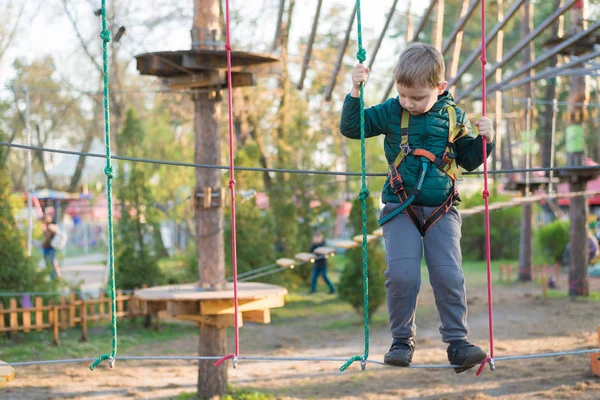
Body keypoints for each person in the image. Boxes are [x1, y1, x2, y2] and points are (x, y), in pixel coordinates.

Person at [340, 43, 495, 373]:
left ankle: (457, 344)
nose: (409, 102)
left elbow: (468, 161)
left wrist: (486, 140)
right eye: (404, 94)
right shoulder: (391, 111)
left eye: (418, 98)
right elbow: (353, 128)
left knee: (448, 275)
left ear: (440, 88)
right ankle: (401, 342)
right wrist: (355, 91)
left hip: (441, 208)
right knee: (402, 275)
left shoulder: (454, 116)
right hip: (400, 207)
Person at [42, 214, 61, 280]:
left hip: (49, 248)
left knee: (51, 263)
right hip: (49, 247)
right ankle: (56, 277)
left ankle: (54, 278)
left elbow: (48, 236)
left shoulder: (50, 226)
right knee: (53, 263)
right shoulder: (50, 226)